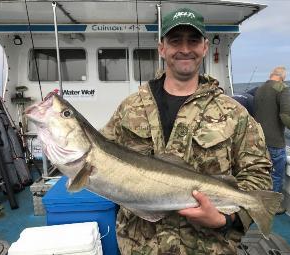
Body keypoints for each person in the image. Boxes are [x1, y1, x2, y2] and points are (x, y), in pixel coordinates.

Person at [101, 7, 272, 255]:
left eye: (192, 40)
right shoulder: (129, 108)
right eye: (175, 40)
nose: (184, 49)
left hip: (209, 247)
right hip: (139, 247)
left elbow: (258, 175)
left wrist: (226, 220)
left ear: (204, 47)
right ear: (162, 48)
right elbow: (104, 160)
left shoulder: (234, 113)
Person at [253, 66, 290, 197]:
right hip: (274, 143)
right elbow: (286, 116)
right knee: (276, 175)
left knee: (260, 174)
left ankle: (259, 200)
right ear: (283, 77)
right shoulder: (282, 88)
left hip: (257, 141)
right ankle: (274, 205)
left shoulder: (259, 89)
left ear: (271, 75)